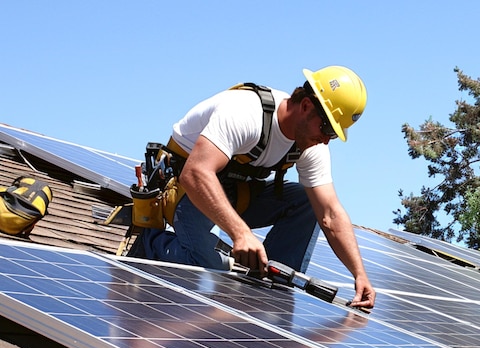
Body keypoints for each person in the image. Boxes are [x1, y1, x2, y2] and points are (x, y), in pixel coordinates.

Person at [136, 65, 375, 310]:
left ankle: (271, 286)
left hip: (234, 194)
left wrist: (359, 274)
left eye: (333, 135)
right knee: (213, 269)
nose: (326, 139)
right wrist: (241, 233)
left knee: (306, 203)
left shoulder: (311, 146)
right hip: (187, 191)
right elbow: (195, 173)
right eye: (326, 129)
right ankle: (151, 243)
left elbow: (330, 213)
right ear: (305, 107)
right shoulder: (246, 113)